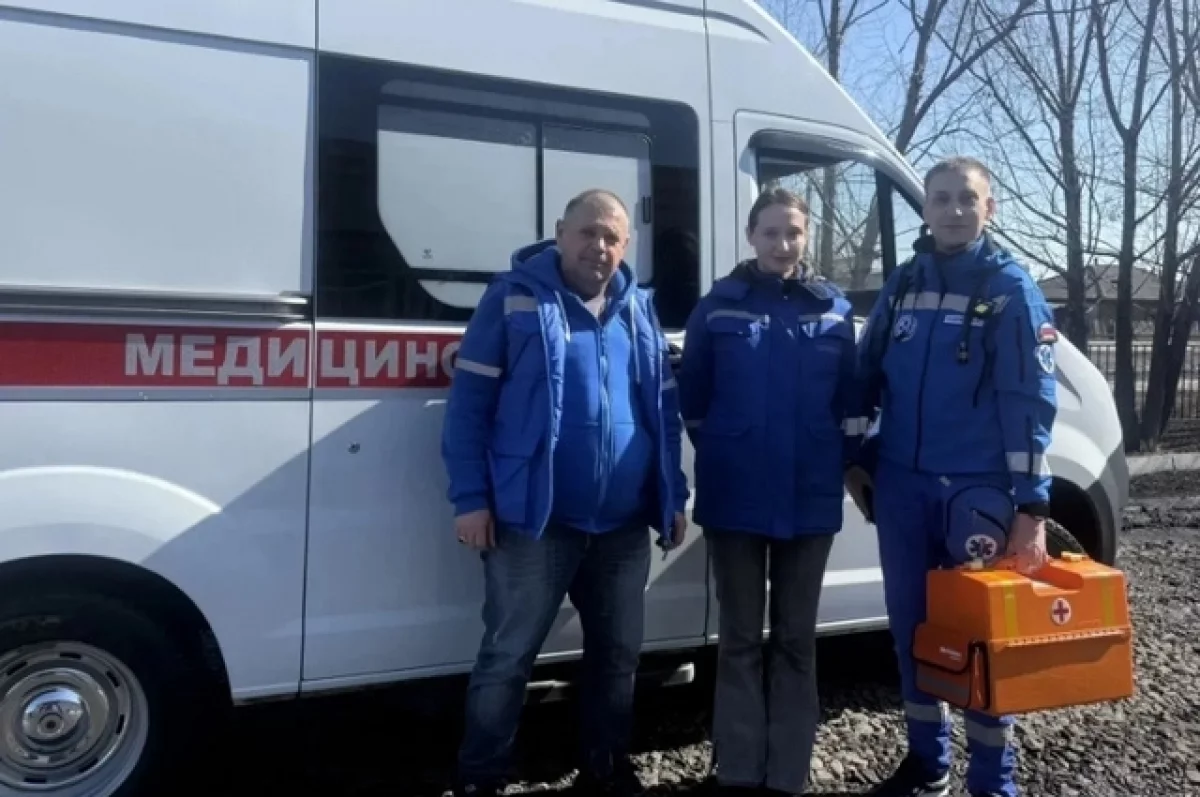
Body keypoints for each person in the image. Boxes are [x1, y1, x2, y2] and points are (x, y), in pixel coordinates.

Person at [440, 188, 690, 797]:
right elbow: (469, 406)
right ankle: (480, 777)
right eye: (587, 232)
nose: (598, 246)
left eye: (611, 237)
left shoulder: (639, 309)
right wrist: (470, 498)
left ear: (626, 245)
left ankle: (605, 768)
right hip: (534, 520)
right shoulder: (513, 298)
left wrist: (673, 495)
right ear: (559, 232)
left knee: (619, 656)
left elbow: (663, 412)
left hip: (622, 526)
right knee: (507, 656)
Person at [846, 156, 1058, 797]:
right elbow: (864, 372)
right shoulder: (904, 283)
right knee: (912, 629)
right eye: (941, 198)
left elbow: (1029, 403)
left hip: (978, 492)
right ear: (925, 208)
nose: (954, 210)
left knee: (980, 637)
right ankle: (927, 764)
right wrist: (855, 458)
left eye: (967, 198)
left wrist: (1032, 510)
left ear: (989, 208)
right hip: (903, 486)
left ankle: (993, 783)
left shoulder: (1010, 290)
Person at [676, 187, 862, 796]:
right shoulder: (718, 308)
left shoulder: (834, 310)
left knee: (795, 641)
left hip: (809, 498)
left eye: (794, 233)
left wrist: (837, 461)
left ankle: (787, 776)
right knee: (738, 640)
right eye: (772, 232)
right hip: (735, 496)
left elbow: (851, 402)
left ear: (806, 238)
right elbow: (694, 399)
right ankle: (737, 771)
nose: (783, 244)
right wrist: (729, 448)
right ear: (752, 236)